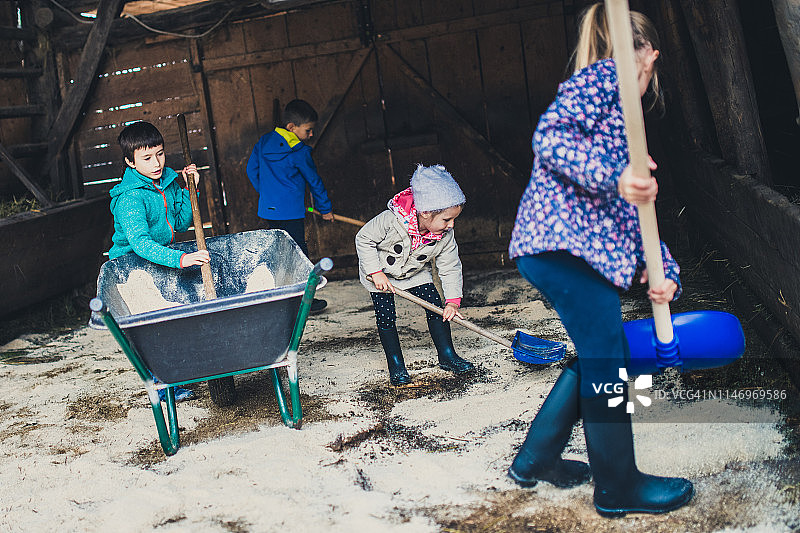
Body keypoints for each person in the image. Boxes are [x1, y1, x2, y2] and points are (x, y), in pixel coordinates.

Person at [506, 4, 693, 517]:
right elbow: (549, 140)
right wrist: (615, 178)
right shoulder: (599, 82)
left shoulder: (625, 126)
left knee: (597, 355)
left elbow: (639, 219)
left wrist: (664, 276)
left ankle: (536, 459)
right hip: (562, 249)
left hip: (566, 255)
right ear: (649, 55)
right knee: (609, 361)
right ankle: (618, 487)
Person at [109, 120, 205, 402]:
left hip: (158, 260)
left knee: (175, 315)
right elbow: (140, 244)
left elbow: (183, 221)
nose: (156, 163)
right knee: (153, 325)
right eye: (147, 158)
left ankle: (178, 371)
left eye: (160, 154)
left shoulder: (167, 183)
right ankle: (162, 384)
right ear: (129, 162)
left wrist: (189, 189)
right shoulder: (130, 199)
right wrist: (181, 259)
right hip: (130, 268)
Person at [355, 164, 475, 386]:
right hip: (380, 275)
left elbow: (449, 266)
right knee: (386, 316)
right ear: (426, 212)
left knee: (436, 307)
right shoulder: (391, 220)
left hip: (414, 273)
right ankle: (396, 364)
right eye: (447, 219)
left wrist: (453, 302)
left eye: (453, 219)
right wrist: (376, 272)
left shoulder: (445, 235)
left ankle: (447, 355)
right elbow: (364, 239)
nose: (451, 225)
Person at [246, 99, 334, 314]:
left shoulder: (264, 142)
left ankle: (285, 298)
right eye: (309, 130)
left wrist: (268, 194)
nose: (311, 135)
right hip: (292, 212)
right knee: (299, 254)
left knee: (281, 251)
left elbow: (251, 170)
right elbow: (314, 181)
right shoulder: (299, 151)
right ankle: (305, 302)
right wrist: (325, 209)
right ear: (291, 128)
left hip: (269, 210)